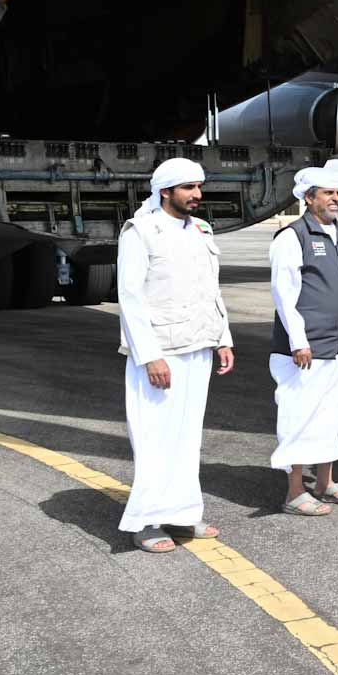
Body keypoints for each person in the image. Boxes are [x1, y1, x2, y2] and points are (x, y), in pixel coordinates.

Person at [115, 158, 234, 553]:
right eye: (188, 188)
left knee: (187, 438)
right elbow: (130, 297)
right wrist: (149, 356)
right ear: (165, 191)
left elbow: (211, 289)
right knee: (154, 438)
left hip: (198, 346)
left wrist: (223, 338)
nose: (197, 195)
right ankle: (147, 522)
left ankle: (183, 513)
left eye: (199, 187)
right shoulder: (140, 232)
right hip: (161, 352)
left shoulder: (201, 230)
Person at [269, 167, 338, 516]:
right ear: (308, 197)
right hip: (306, 350)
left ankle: (324, 483)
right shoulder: (292, 236)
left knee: (333, 416)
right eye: (328, 193)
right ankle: (294, 492)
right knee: (300, 417)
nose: (336, 199)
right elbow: (284, 293)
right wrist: (298, 340)